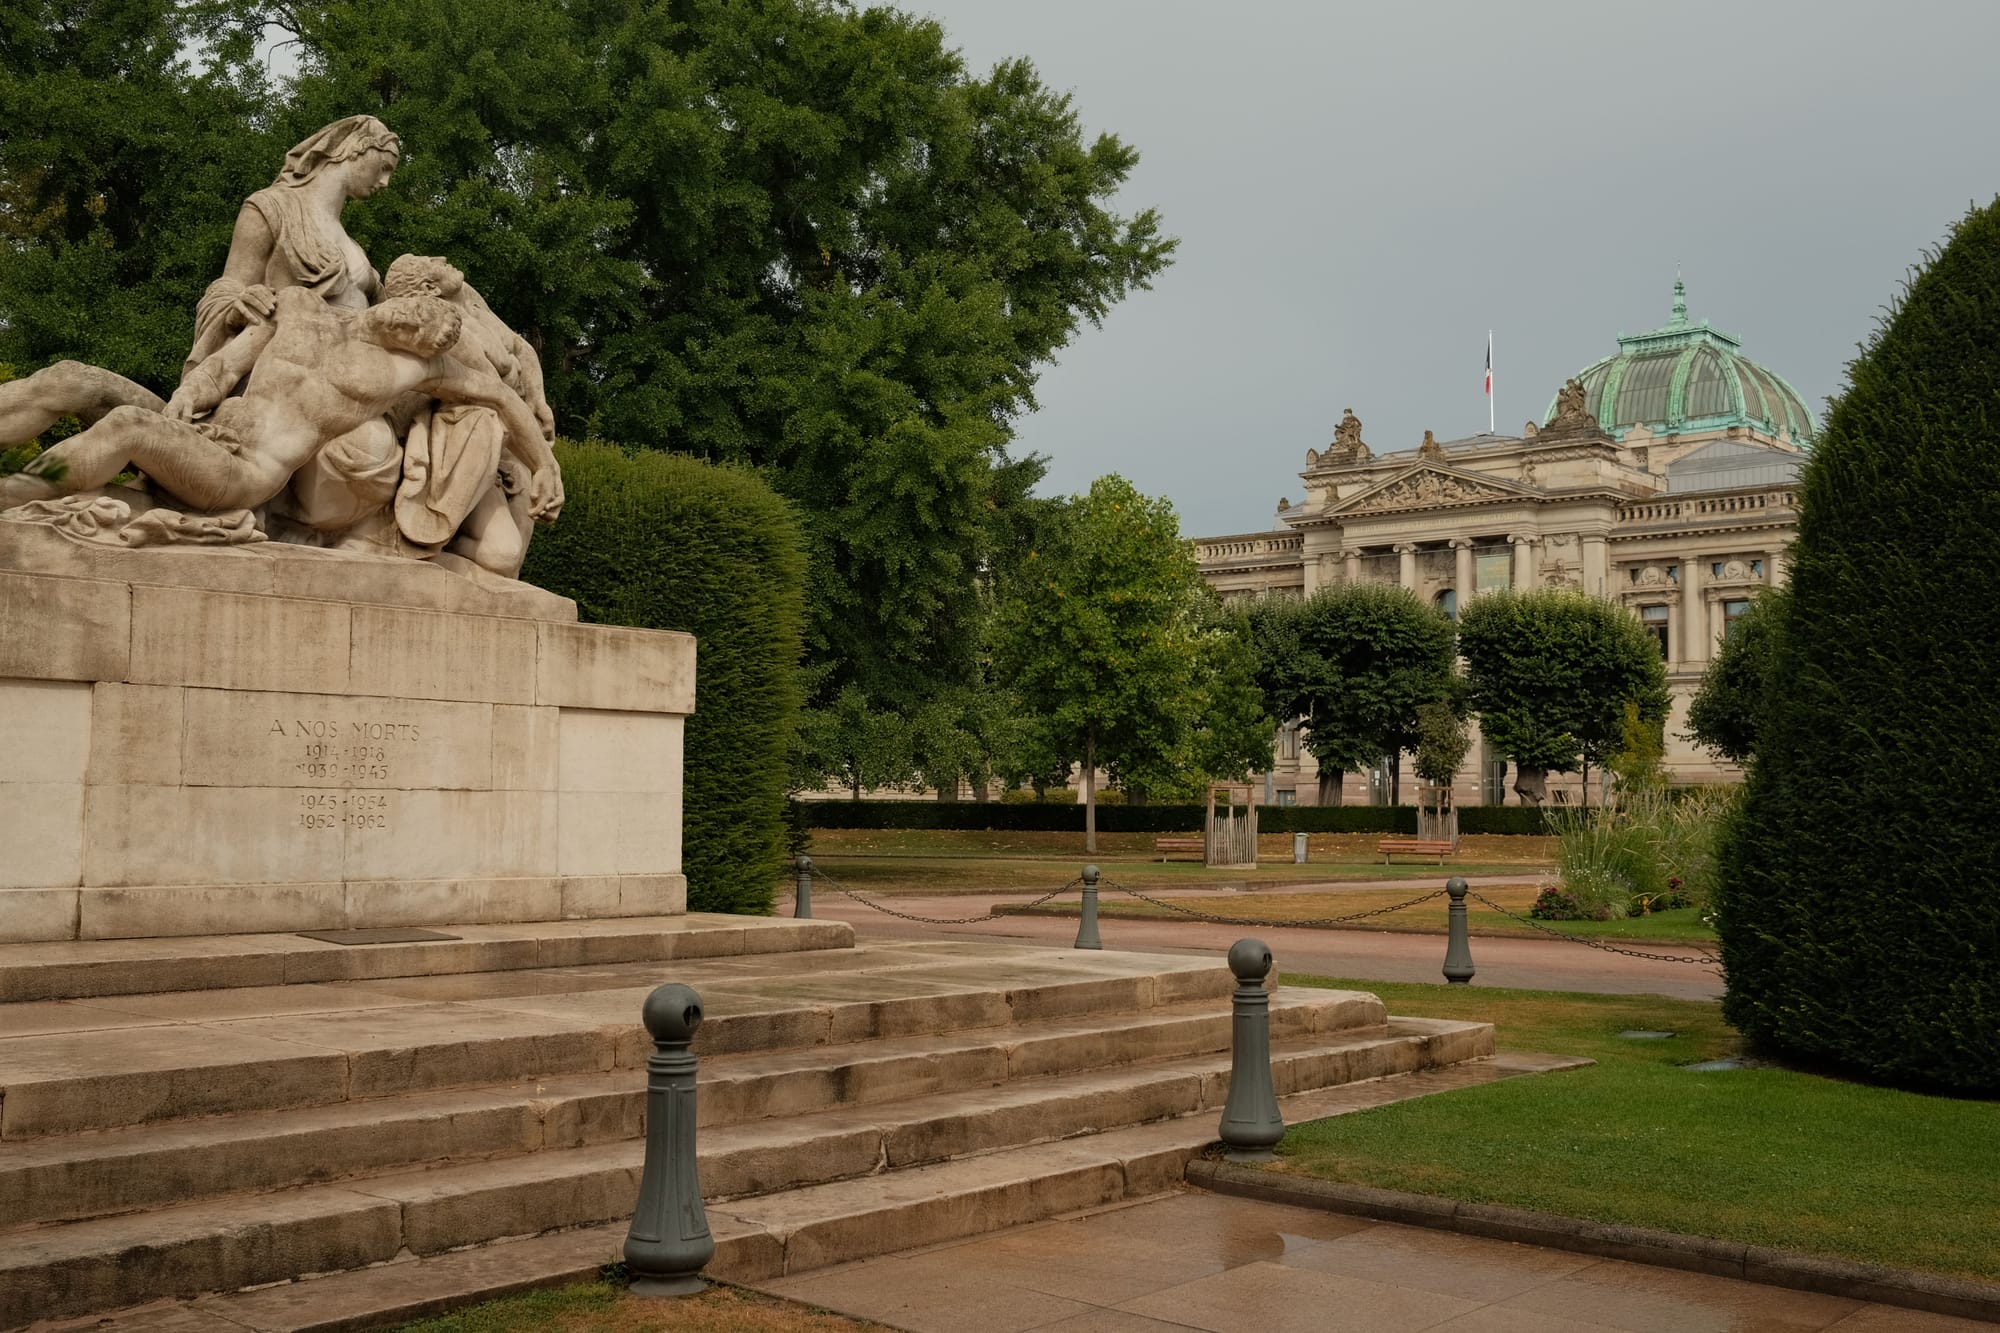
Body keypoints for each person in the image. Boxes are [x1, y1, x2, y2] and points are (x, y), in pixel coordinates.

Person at [0, 287, 559, 519]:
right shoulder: (299, 305)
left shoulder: (410, 369)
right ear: (408, 298)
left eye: (425, 334)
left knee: (126, 425)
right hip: (198, 431)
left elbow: (501, 397)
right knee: (71, 379)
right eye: (419, 312)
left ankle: (11, 496)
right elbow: (225, 366)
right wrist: (191, 394)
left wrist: (545, 463)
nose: (413, 324)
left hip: (240, 473)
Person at [379, 255, 558, 577]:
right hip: (473, 436)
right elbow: (496, 395)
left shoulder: (464, 294)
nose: (442, 258)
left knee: (513, 560)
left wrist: (538, 399)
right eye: (432, 262)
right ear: (429, 289)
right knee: (503, 556)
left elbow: (519, 346)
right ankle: (422, 549)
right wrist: (542, 461)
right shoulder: (448, 332)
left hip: (512, 431)